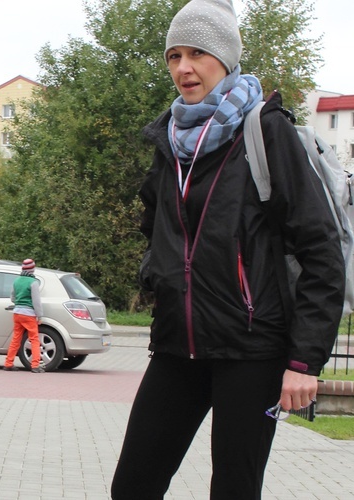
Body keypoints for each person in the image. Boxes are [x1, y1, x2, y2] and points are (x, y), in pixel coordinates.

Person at [110, 1, 345, 498]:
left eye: (197, 53)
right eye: (174, 55)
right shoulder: (170, 140)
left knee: (234, 490)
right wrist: (162, 288)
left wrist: (304, 361)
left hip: (253, 350)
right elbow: (159, 232)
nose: (183, 68)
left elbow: (321, 248)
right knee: (133, 485)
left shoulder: (266, 130)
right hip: (178, 346)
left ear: (227, 57)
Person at [4, 258, 44, 373]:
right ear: (33, 269)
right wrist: (40, 315)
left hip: (17, 313)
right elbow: (36, 301)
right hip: (29, 315)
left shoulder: (16, 281)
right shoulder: (33, 282)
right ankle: (35, 365)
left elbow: (12, 297)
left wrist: (19, 303)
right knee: (34, 339)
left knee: (16, 339)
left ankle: (8, 363)